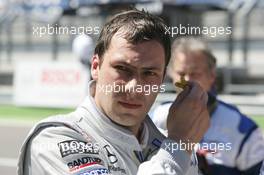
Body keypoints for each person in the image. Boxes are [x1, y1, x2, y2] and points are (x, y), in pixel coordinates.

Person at [17, 10, 210, 175]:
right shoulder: (55, 139)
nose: (134, 86)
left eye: (150, 73)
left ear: (162, 79)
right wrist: (177, 147)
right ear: (95, 66)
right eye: (122, 69)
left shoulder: (171, 144)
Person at [151, 37, 264, 175]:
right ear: (171, 75)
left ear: (212, 75)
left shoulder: (241, 127)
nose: (186, 80)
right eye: (181, 73)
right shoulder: (155, 119)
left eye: (195, 73)